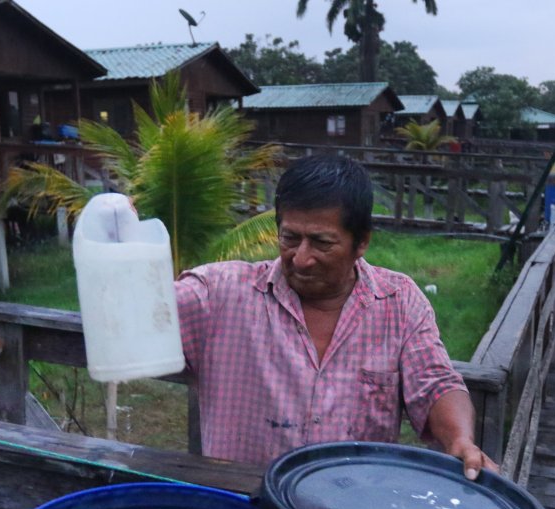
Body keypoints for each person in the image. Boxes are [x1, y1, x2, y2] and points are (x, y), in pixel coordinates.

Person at [174, 155, 498, 479]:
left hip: (352, 506)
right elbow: (149, 310)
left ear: (362, 241)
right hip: (242, 503)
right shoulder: (219, 294)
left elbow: (436, 383)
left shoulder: (399, 303)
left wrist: (459, 439)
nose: (301, 259)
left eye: (322, 243)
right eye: (290, 238)